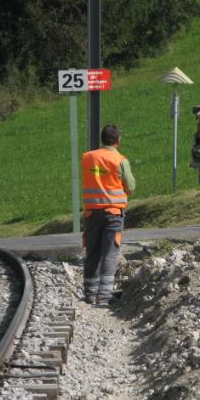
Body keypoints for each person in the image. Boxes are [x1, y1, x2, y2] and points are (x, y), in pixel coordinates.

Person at [81, 124, 136, 305]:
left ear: (102, 139)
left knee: (93, 250)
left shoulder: (87, 158)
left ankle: (89, 293)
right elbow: (131, 186)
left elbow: (93, 176)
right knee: (110, 252)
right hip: (113, 212)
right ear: (118, 140)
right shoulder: (119, 160)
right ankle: (104, 294)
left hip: (91, 212)